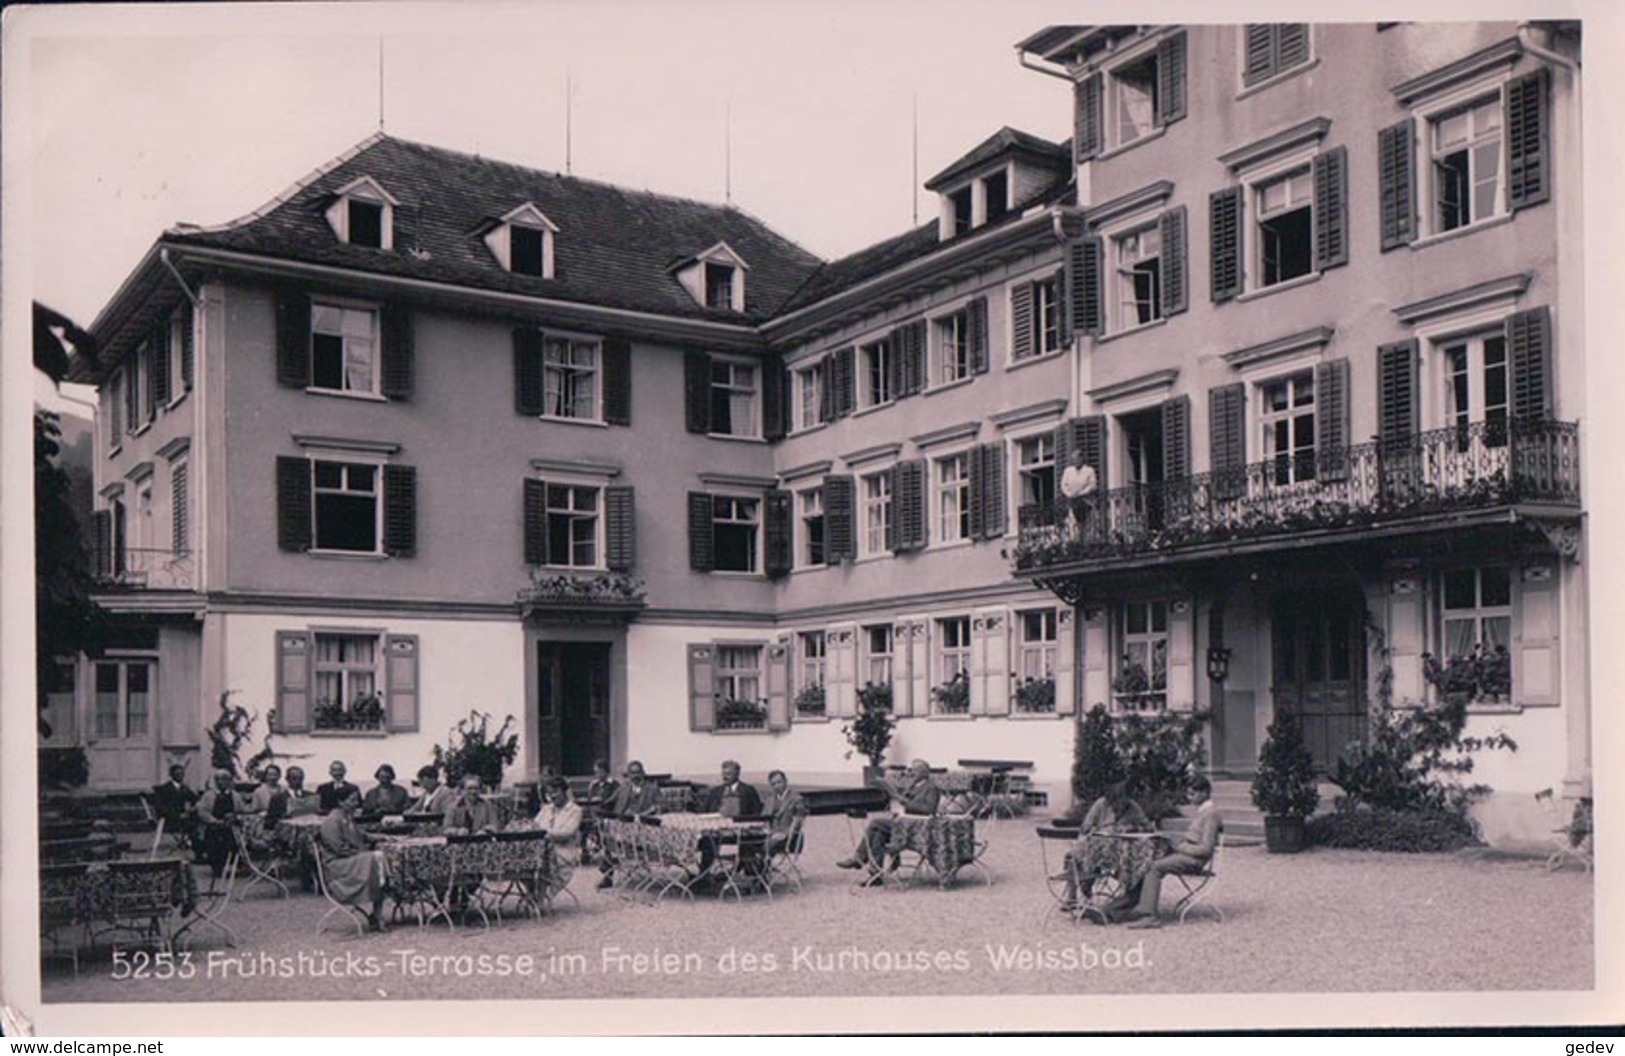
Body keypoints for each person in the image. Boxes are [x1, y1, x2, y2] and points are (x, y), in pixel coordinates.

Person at [1125, 776, 1223, 929]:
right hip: (1187, 855)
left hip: (1194, 860)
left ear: (1204, 793)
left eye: (1192, 794)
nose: (1189, 798)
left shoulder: (1211, 814)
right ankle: (1131, 906)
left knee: (1154, 867)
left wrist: (1179, 847)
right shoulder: (1204, 812)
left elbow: (1206, 849)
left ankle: (1149, 916)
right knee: (1146, 860)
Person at [836, 759, 941, 878]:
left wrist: (902, 800)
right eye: (910, 770)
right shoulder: (913, 786)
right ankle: (875, 875)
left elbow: (929, 809)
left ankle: (859, 857)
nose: (910, 773)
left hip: (916, 826)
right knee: (878, 835)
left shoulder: (931, 788)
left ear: (924, 772)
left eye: (913, 770)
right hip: (904, 822)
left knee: (875, 823)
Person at [1060, 781, 1153, 913]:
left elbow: (1147, 827)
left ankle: (1125, 900)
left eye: (1122, 803)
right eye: (1114, 805)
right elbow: (1085, 827)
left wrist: (1132, 828)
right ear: (1110, 800)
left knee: (1133, 861)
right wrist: (1100, 829)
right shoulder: (1100, 804)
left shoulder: (1133, 807)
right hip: (1098, 847)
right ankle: (1072, 897)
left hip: (1120, 852)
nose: (1117, 808)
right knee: (1073, 855)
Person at [316, 788, 389, 932]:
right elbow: (339, 849)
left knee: (379, 858)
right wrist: (363, 853)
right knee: (375, 858)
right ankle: (378, 912)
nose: (356, 804)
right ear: (341, 802)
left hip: (349, 859)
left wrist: (380, 837)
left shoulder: (346, 817)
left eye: (357, 800)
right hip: (337, 864)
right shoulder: (332, 820)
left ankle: (378, 910)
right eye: (352, 800)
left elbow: (360, 835)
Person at [597, 761, 661, 890]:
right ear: (628, 775)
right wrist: (600, 808)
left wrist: (646, 813)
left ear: (643, 773)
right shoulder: (623, 788)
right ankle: (608, 876)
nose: (635, 776)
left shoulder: (652, 789)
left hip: (643, 828)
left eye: (637, 772)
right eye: (632, 773)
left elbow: (660, 807)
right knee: (608, 839)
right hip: (622, 825)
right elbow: (609, 802)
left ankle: (616, 865)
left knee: (615, 840)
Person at [193, 769, 239, 879]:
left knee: (233, 840)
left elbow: (241, 810)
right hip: (213, 825)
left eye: (224, 779)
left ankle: (233, 861)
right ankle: (216, 866)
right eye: (218, 779)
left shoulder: (235, 795)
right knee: (213, 840)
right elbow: (202, 811)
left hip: (230, 826)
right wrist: (213, 820)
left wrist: (233, 817)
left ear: (229, 781)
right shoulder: (208, 795)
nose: (221, 782)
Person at [533, 777, 584, 861]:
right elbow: (534, 826)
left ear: (564, 792)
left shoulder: (575, 810)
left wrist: (543, 833)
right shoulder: (546, 809)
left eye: (555, 792)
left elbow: (567, 833)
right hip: (542, 857)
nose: (553, 796)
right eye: (550, 793)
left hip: (564, 857)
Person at [150, 765, 200, 850]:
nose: (180, 776)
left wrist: (193, 808)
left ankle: (197, 847)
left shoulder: (184, 788)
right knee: (191, 825)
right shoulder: (164, 789)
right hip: (169, 819)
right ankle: (195, 846)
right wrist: (177, 815)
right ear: (172, 775)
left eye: (182, 774)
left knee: (197, 820)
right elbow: (161, 808)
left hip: (183, 818)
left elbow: (195, 799)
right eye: (177, 774)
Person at [764, 770, 807, 854]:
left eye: (779, 782)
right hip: (770, 834)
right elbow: (763, 819)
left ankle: (763, 865)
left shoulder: (796, 799)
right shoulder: (769, 800)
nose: (777, 786)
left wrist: (785, 834)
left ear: (785, 781)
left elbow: (798, 821)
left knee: (764, 845)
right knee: (748, 843)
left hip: (789, 838)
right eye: (773, 784)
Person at [1060, 447, 1097, 538]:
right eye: (1073, 459)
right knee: (1073, 525)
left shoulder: (1089, 470)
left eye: (1077, 459)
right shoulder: (1068, 471)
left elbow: (1093, 485)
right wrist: (1069, 494)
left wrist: (1082, 493)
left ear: (1082, 459)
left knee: (1088, 526)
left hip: (1087, 502)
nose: (1075, 461)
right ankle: (1074, 543)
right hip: (1073, 502)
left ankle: (1088, 543)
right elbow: (1063, 485)